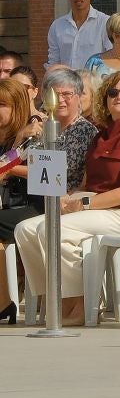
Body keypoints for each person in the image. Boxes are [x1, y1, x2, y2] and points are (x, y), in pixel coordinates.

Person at [13, 72, 120, 325]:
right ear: (105, 99)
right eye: (113, 93)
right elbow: (86, 181)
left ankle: (81, 305)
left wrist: (82, 204)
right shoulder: (101, 134)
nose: (119, 97)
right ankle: (54, 299)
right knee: (25, 229)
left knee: (55, 230)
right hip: (97, 207)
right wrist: (68, 198)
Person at [0, 76, 41, 323]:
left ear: (17, 107)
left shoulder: (33, 135)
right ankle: (4, 303)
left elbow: (43, 173)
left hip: (31, 206)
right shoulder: (7, 138)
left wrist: (9, 168)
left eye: (2, 105)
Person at [45, 0, 109, 71]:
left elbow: (111, 60)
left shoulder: (105, 23)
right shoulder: (57, 26)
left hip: (95, 85)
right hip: (66, 85)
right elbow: (53, 62)